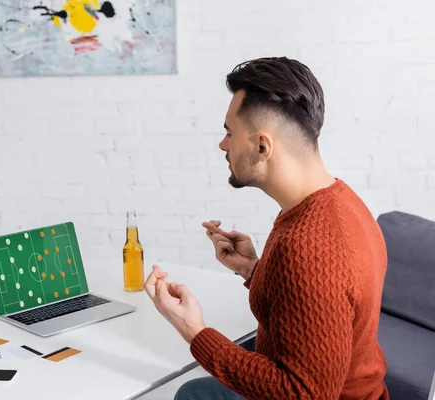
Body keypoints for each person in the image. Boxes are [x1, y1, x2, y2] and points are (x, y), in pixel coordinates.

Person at [144, 57, 390, 400]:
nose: (223, 145)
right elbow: (317, 307)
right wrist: (252, 269)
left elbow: (305, 394)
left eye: (230, 133)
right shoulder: (340, 201)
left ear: (262, 146)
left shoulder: (307, 248)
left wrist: (195, 331)